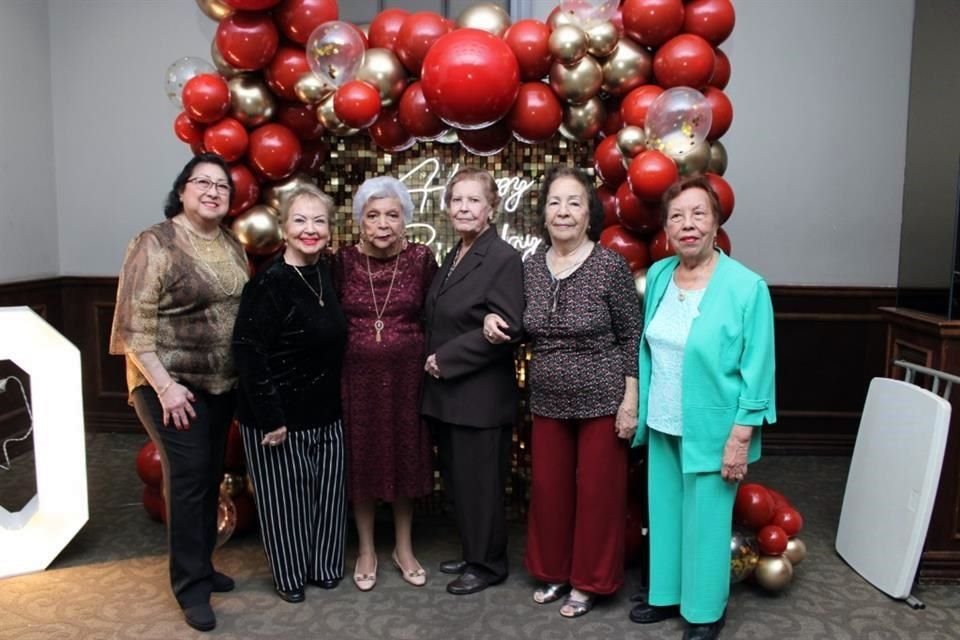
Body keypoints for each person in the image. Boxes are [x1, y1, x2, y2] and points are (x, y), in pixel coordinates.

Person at [483, 166, 641, 617]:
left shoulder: (610, 265)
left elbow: (633, 336)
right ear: (544, 214)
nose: (564, 211)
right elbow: (522, 327)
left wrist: (629, 402)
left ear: (589, 212)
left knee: (597, 494)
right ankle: (554, 573)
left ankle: (589, 582)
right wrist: (496, 326)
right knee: (550, 491)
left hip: (603, 399)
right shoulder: (530, 266)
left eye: (574, 202)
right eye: (555, 202)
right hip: (548, 400)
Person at [627, 176, 776, 640]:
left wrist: (741, 435)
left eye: (698, 214)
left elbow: (759, 367)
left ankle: (706, 611)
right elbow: (648, 349)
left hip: (715, 428)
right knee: (667, 515)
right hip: (665, 420)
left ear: (715, 224)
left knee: (708, 522)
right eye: (676, 216)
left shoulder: (747, 287)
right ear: (666, 230)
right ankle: (668, 596)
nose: (687, 224)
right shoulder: (659, 277)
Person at [109, 153, 249, 632]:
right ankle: (191, 588)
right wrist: (165, 388)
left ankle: (203, 566)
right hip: (167, 384)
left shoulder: (231, 243)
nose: (212, 191)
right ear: (182, 190)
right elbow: (133, 326)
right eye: (202, 182)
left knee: (209, 476)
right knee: (188, 479)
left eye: (222, 186)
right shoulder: (156, 243)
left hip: (219, 383)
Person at [232, 184, 348, 604]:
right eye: (300, 220)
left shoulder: (328, 273)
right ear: (283, 228)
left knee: (328, 496)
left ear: (331, 230)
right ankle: (291, 575)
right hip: (276, 413)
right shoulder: (269, 284)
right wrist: (271, 417)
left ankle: (325, 566)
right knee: (286, 503)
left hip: (326, 409)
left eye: (319, 220)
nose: (310, 229)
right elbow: (248, 353)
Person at [420, 167, 525, 596]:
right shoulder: (454, 254)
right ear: (447, 208)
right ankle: (473, 552)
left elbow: (509, 328)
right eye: (456, 200)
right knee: (462, 483)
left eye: (473, 200)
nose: (464, 207)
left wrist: (445, 359)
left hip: (479, 399)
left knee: (481, 486)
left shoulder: (502, 257)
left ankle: (488, 565)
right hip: (451, 397)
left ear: (491, 207)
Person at [334, 177, 438, 591]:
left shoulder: (421, 259)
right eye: (372, 215)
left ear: (405, 220)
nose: (382, 224)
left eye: (392, 215)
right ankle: (365, 548)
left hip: (406, 380)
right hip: (354, 381)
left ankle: (403, 546)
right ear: (360, 221)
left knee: (404, 458)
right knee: (361, 461)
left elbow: (436, 315)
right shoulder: (341, 261)